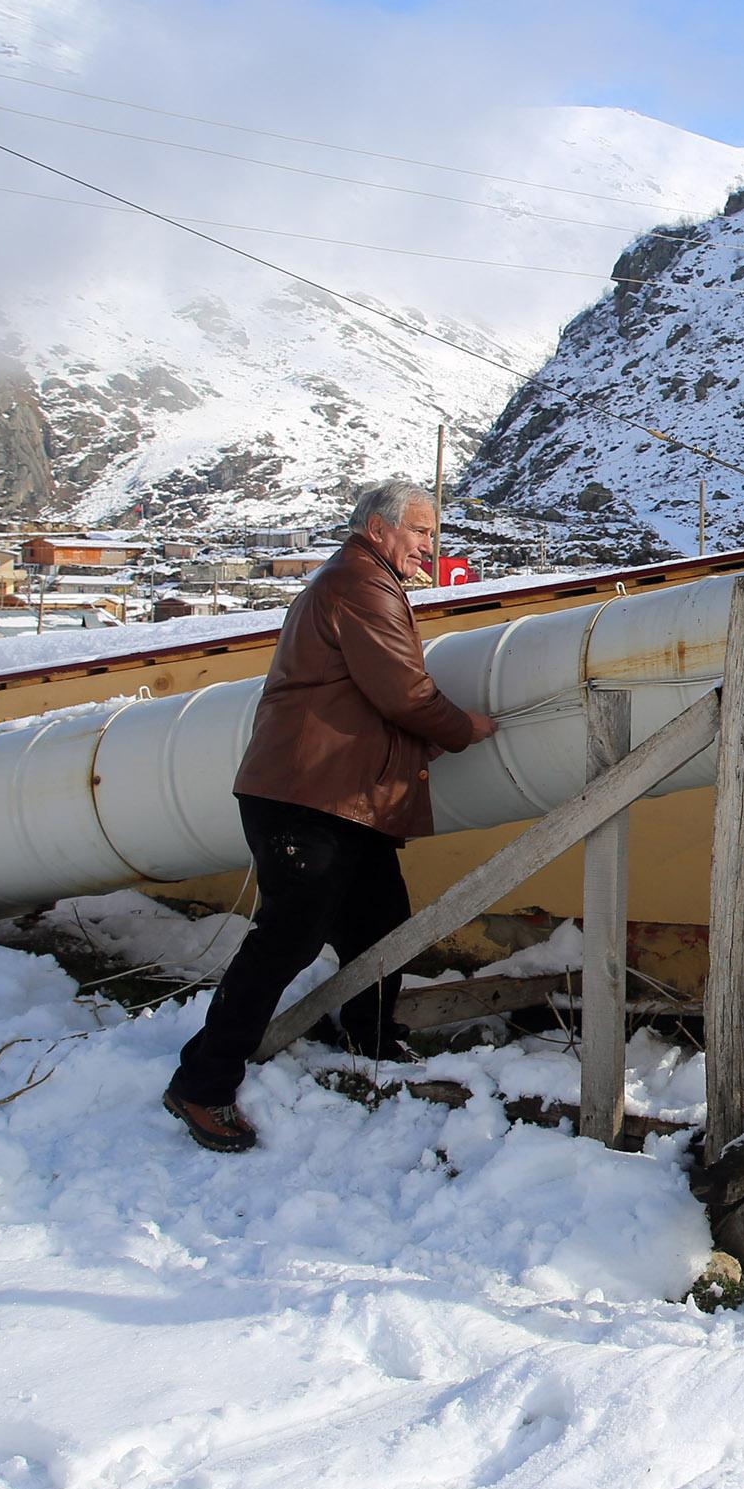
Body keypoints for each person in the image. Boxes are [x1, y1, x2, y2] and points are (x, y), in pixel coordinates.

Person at [160, 479, 496, 1152]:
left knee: (380, 921)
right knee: (287, 937)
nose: (432, 546)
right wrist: (465, 728)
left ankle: (368, 1035)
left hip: (346, 799)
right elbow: (402, 691)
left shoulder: (366, 579)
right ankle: (203, 1083)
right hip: (306, 795)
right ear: (378, 529)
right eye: (422, 531)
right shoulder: (359, 586)